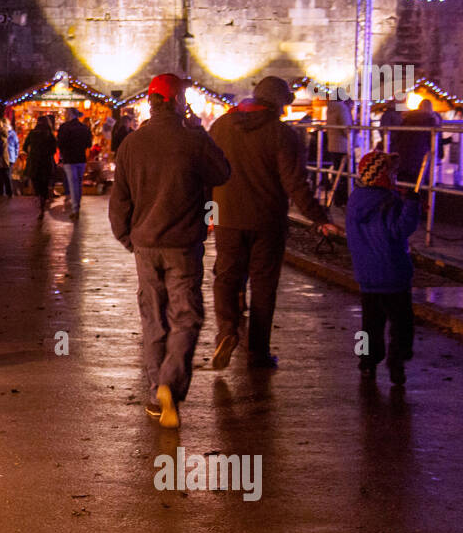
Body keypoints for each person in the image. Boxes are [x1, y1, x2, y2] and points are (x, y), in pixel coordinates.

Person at [109, 73, 231, 428]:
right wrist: (197, 130)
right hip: (182, 245)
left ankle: (154, 392)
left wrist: (128, 238)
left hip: (145, 245)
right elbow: (222, 172)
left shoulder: (132, 143)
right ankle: (170, 383)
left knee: (153, 318)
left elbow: (120, 201)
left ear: (151, 102)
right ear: (178, 102)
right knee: (186, 316)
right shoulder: (193, 140)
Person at [208, 76, 343, 372]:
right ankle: (258, 353)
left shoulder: (220, 127)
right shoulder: (283, 135)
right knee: (264, 286)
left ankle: (227, 331)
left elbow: (206, 175)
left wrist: (208, 216)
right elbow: (295, 184)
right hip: (267, 221)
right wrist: (320, 218)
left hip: (226, 217)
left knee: (226, 276)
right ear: (279, 103)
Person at [347, 149, 421, 385]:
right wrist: (412, 204)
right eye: (391, 172)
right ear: (382, 175)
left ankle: (366, 361)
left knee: (369, 324)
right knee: (401, 323)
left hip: (367, 276)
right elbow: (399, 230)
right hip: (393, 274)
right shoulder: (389, 201)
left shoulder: (355, 201)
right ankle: (397, 361)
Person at [56, 107, 93, 219]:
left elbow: (60, 144)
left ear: (70, 114)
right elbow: (88, 144)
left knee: (73, 183)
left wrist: (62, 157)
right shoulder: (84, 128)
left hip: (69, 159)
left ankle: (75, 208)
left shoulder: (64, 127)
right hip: (81, 158)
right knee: (79, 183)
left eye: (66, 113)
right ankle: (77, 206)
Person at [395, 98, 442, 186]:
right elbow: (434, 141)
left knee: (403, 183)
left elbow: (398, 136)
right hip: (421, 157)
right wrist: (440, 154)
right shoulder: (431, 120)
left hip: (403, 156)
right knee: (420, 184)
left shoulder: (407, 119)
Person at [23, 114, 58, 218]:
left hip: (34, 163)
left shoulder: (32, 134)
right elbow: (53, 150)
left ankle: (40, 201)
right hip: (46, 163)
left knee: (36, 183)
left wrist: (32, 152)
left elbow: (25, 147)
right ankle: (43, 203)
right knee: (44, 184)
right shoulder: (49, 135)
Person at [323, 94, 353, 207]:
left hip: (333, 144)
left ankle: (337, 199)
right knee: (345, 174)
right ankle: (344, 199)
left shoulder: (330, 108)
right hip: (343, 145)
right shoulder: (342, 108)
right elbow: (346, 127)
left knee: (337, 172)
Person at [0, 117, 16, 198]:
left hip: (3, 158)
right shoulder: (3, 134)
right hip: (4, 158)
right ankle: (4, 192)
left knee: (5, 176)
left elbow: (1, 147)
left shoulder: (1, 135)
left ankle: (8, 193)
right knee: (2, 176)